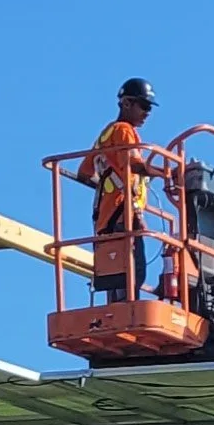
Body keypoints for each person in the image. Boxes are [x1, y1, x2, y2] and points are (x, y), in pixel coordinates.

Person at [84, 78, 178, 301]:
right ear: (126, 103)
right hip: (121, 213)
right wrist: (167, 173)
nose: (147, 113)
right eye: (143, 106)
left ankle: (119, 313)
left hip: (108, 216)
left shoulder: (106, 135)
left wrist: (110, 190)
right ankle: (129, 312)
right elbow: (134, 165)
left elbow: (85, 171)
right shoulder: (124, 130)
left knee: (116, 271)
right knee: (133, 271)